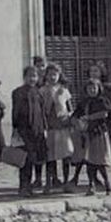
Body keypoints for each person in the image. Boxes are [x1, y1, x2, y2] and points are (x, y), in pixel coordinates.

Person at [10, 65, 47, 196]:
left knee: (34, 158)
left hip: (37, 130)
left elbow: (42, 112)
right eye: (29, 76)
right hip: (24, 130)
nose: (32, 79)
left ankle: (31, 185)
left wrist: (45, 128)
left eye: (35, 76)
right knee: (24, 159)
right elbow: (15, 112)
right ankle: (23, 186)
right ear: (24, 77)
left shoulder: (39, 92)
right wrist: (15, 129)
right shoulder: (18, 92)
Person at [76, 71, 111, 196]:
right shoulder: (84, 102)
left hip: (100, 133)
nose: (92, 90)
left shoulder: (102, 101)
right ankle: (91, 185)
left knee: (100, 161)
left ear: (99, 89)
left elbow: (105, 114)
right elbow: (76, 114)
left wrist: (88, 117)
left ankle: (107, 183)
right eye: (89, 88)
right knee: (89, 161)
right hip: (88, 134)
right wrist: (76, 122)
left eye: (94, 88)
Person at [40, 64, 75, 192]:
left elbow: (70, 108)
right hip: (49, 127)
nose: (52, 77)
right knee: (50, 156)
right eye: (50, 74)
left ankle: (66, 182)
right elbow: (41, 109)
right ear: (46, 76)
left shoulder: (64, 91)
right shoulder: (42, 91)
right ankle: (50, 182)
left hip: (62, 127)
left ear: (59, 76)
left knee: (66, 154)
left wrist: (68, 118)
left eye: (55, 74)